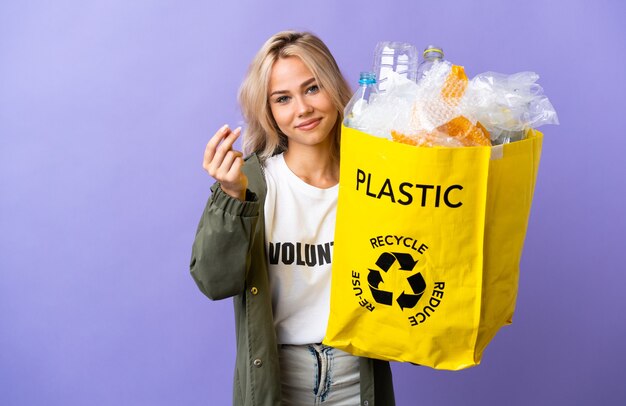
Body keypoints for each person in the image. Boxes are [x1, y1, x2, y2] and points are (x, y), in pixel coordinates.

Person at [190, 30, 395, 406]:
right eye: (283, 98)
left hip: (357, 375)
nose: (302, 108)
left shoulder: (378, 181)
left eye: (313, 88)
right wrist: (232, 198)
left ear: (334, 88)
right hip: (278, 378)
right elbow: (214, 282)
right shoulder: (250, 182)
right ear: (268, 112)